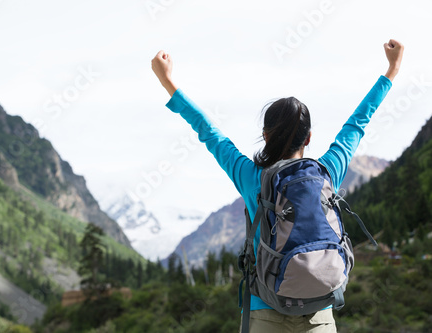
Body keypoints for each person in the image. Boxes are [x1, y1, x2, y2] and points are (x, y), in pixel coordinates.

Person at [151, 39, 404, 333]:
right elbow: (357, 123)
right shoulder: (328, 170)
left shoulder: (251, 176)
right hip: (319, 311)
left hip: (266, 310)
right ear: (308, 138)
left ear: (265, 135)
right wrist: (392, 70)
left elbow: (208, 131)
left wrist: (168, 81)